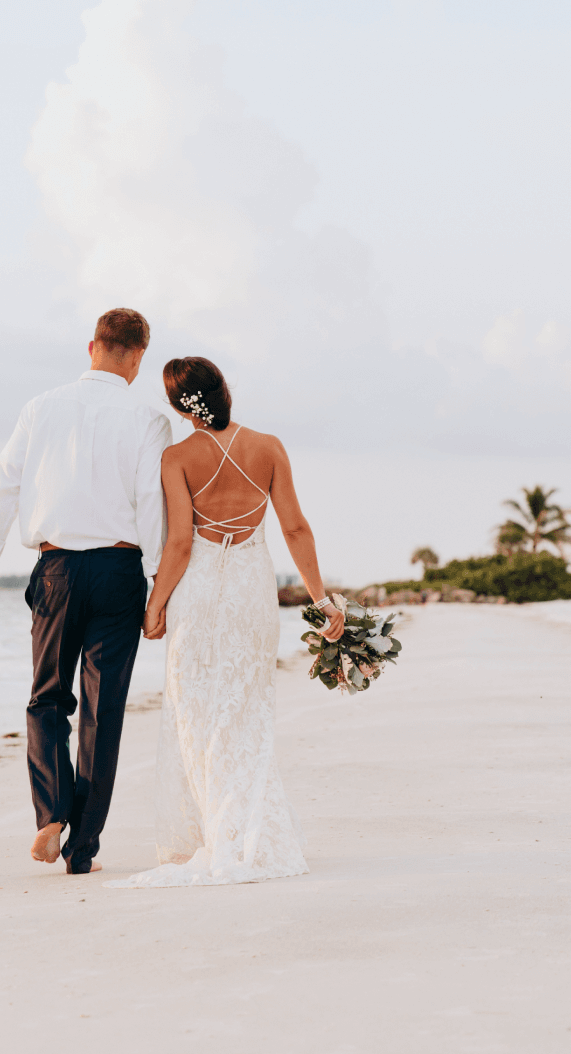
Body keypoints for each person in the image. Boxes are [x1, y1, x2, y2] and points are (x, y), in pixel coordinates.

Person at [108, 356, 344, 889]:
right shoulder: (269, 447)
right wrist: (321, 600)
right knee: (246, 708)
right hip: (249, 591)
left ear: (176, 406)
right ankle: (247, 830)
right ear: (224, 390)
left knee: (195, 712)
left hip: (197, 593)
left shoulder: (176, 457)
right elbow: (296, 528)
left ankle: (211, 834)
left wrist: (155, 605)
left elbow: (180, 542)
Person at [0, 308, 170, 874]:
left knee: (48, 699)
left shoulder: (42, 407)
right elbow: (152, 507)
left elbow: (3, 483)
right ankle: (82, 849)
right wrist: (158, 587)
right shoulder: (149, 418)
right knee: (103, 714)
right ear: (136, 357)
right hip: (118, 572)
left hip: (55, 568)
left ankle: (49, 815)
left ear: (92, 347)